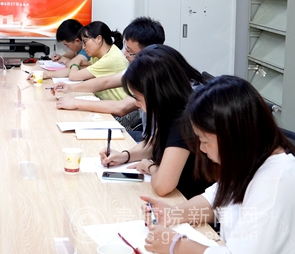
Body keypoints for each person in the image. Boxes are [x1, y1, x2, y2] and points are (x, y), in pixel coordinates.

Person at [142, 76, 295, 254]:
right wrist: (174, 213)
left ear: (231, 136)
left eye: (204, 140)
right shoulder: (248, 159)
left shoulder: (274, 184)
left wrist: (176, 245)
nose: (202, 148)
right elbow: (215, 201)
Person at [100, 45, 209, 199]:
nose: (136, 104)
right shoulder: (171, 109)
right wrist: (125, 156)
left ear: (157, 93)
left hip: (186, 199)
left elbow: (163, 186)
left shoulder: (183, 120)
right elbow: (153, 144)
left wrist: (150, 167)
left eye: (138, 98)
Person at [54, 17, 165, 130]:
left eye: (130, 51)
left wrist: (76, 102)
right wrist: (70, 88)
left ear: (150, 51)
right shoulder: (139, 67)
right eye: (126, 49)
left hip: (141, 127)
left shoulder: (155, 75)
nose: (125, 54)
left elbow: (121, 107)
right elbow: (106, 82)